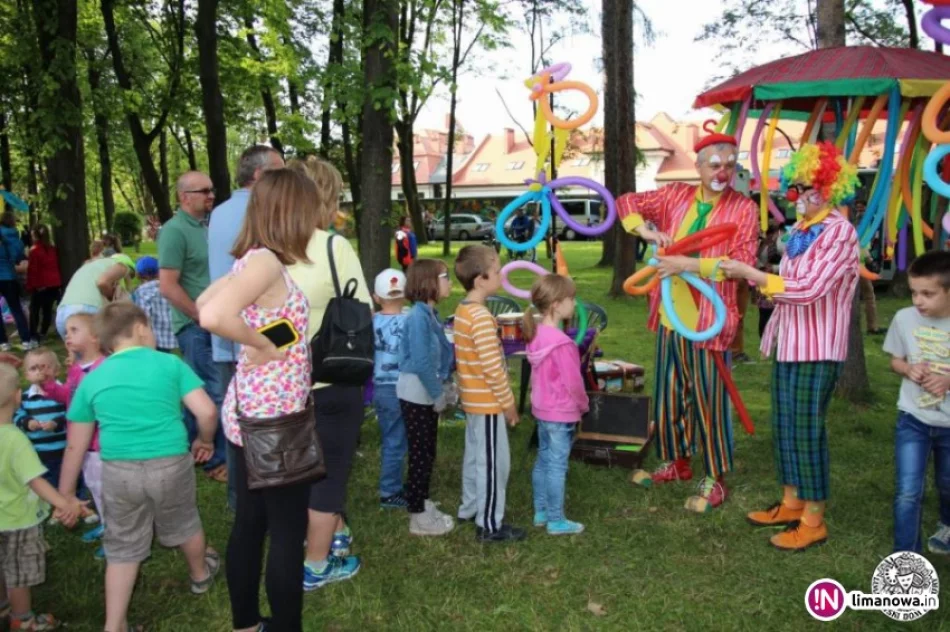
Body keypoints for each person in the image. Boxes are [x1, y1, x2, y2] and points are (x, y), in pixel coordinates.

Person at [721, 141, 860, 550]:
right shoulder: (801, 230)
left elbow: (809, 289)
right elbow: (786, 286)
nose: (795, 195)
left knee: (806, 431)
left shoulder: (839, 233)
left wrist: (756, 275)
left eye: (805, 187)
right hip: (790, 343)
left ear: (830, 188)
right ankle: (791, 503)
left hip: (817, 348)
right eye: (793, 186)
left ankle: (814, 520)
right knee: (784, 426)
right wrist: (760, 281)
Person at [198, 168, 317, 632]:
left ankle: (246, 623)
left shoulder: (252, 260)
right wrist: (263, 344)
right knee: (287, 532)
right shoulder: (265, 262)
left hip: (250, 414)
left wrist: (256, 336)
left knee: (251, 522)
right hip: (276, 422)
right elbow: (211, 313)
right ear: (292, 212)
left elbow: (208, 297)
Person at [618, 120, 758, 513]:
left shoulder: (743, 208)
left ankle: (715, 474)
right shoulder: (674, 196)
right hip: (669, 316)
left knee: (708, 400)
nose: (722, 173)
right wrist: (646, 232)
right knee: (669, 392)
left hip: (708, 322)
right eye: (714, 164)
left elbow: (743, 263)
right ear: (698, 166)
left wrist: (688, 264)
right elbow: (625, 202)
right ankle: (677, 461)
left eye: (729, 165)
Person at [58, 303, 219, 632]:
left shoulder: (94, 378)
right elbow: (206, 413)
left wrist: (64, 494)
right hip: (171, 463)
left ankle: (114, 624)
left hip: (119, 471)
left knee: (122, 547)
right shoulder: (169, 363)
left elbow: (75, 444)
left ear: (104, 340)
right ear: (143, 328)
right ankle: (200, 575)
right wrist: (205, 441)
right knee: (185, 522)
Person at [287, 157, 369, 589]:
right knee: (329, 473)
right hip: (333, 377)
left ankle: (334, 533)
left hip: (283, 384)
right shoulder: (333, 246)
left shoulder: (265, 248)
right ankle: (316, 565)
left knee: (301, 468)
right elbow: (362, 308)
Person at [207, 145, 284, 510]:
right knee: (258, 427)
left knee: (235, 424)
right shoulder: (260, 213)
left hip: (226, 339)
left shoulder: (219, 212)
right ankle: (260, 501)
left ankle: (240, 501)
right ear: (259, 176)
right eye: (279, 171)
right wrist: (265, 343)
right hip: (252, 339)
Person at [0, 362, 84, 632]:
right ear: (17, 397)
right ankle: (22, 619)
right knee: (18, 574)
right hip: (17, 521)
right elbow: (36, 481)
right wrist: (66, 503)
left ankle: (3, 605)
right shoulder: (15, 439)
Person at [158, 170, 228, 483]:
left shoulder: (205, 226)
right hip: (196, 326)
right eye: (204, 191)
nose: (211, 195)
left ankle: (189, 451)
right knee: (212, 391)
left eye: (211, 190)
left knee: (197, 392)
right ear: (184, 197)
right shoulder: (174, 230)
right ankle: (216, 461)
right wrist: (200, 317)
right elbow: (168, 286)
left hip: (213, 323)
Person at [453, 245, 525, 541]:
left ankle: (469, 508)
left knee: (474, 457)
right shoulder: (481, 318)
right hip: (487, 404)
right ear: (480, 279)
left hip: (473, 401)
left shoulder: (462, 310)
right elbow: (493, 369)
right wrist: (508, 404)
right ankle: (489, 525)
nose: (500, 275)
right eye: (496, 271)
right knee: (494, 464)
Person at [883, 251, 950, 554]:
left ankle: (947, 526)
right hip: (913, 419)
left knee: (947, 485)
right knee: (907, 492)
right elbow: (896, 361)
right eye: (914, 292)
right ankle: (906, 558)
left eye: (928, 293)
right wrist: (908, 369)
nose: (918, 301)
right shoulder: (903, 319)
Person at [524, 274, 588, 536]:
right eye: (571, 299)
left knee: (543, 460)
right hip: (561, 414)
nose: (574, 303)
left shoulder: (536, 334)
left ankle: (541, 511)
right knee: (557, 466)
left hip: (542, 410)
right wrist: (583, 405)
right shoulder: (563, 344)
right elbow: (574, 384)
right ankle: (555, 520)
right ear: (556, 305)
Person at [396, 259, 455, 537]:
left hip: (426, 392)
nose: (450, 282)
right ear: (428, 282)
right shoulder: (418, 317)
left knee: (428, 452)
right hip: (417, 393)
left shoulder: (431, 313)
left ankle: (422, 499)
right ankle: (417, 516)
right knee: (420, 454)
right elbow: (420, 361)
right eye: (445, 276)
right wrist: (437, 394)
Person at [42, 313, 106, 553]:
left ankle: (116, 534)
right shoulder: (77, 369)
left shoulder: (105, 366)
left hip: (100, 444)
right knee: (94, 486)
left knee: (106, 489)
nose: (67, 335)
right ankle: (105, 523)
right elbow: (69, 397)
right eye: (66, 331)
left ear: (95, 337)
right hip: (82, 444)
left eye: (74, 330)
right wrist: (50, 385)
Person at [372, 268, 409, 509]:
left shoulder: (370, 321)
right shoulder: (409, 320)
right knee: (397, 440)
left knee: (392, 437)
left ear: (376, 297)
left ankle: (393, 484)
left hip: (381, 387)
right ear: (404, 295)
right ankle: (390, 491)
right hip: (404, 387)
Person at [14, 349, 66, 488]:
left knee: (70, 483)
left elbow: (73, 415)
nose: (39, 372)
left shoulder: (65, 393)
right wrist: (27, 422)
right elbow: (17, 415)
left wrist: (56, 423)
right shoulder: (24, 398)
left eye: (45, 367)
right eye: (33, 368)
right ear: (26, 375)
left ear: (57, 370)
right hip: (38, 453)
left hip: (65, 451)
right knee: (46, 485)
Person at [55, 255, 132, 341]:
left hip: (62, 313)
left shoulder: (90, 267)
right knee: (101, 350)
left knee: (77, 351)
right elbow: (102, 282)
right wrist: (110, 297)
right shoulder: (121, 266)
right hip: (85, 310)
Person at [129, 256, 177, 354]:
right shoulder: (170, 287)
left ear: (138, 275)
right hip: (172, 335)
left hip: (155, 338)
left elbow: (144, 317)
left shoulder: (141, 292)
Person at [0, 213, 33, 352]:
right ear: (13, 223)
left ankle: (3, 342)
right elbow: (19, 256)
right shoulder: (15, 238)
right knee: (16, 309)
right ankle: (26, 340)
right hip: (9, 278)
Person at [25, 225, 61, 343]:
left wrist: (31, 286)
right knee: (47, 309)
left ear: (35, 235)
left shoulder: (34, 250)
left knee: (34, 310)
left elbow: (33, 271)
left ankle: (34, 335)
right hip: (54, 284)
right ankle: (43, 332)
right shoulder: (53, 249)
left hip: (41, 284)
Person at [755, 224, 782, 338]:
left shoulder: (763, 243)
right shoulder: (773, 245)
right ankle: (769, 336)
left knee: (764, 313)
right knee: (769, 313)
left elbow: (756, 259)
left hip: (763, 281)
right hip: (772, 282)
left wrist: (761, 267)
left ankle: (764, 336)